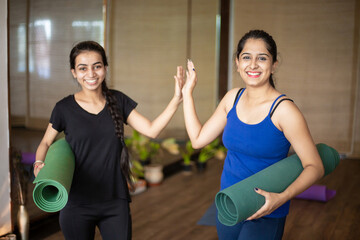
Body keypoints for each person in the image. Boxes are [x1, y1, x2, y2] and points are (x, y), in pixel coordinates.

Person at [179, 30, 325, 239]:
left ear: (274, 64)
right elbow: (197, 139)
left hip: (267, 207)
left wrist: (281, 197)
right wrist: (187, 94)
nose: (253, 64)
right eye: (246, 57)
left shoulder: (284, 111)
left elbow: (315, 166)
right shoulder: (232, 99)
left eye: (262, 58)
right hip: (230, 203)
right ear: (237, 63)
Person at [33, 40, 184, 240]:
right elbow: (45, 142)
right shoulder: (64, 108)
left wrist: (176, 99)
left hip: (114, 202)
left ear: (105, 67)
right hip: (77, 203)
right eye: (83, 68)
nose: (91, 74)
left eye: (97, 66)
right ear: (74, 72)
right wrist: (38, 162)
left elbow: (151, 130)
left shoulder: (118, 100)